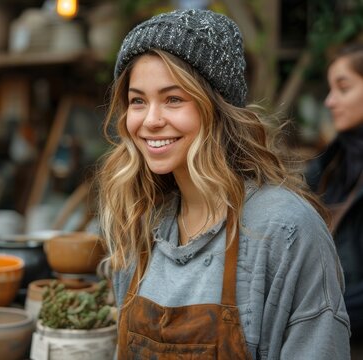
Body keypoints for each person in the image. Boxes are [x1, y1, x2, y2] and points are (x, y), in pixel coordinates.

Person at [96, 8, 350, 359]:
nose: (150, 120)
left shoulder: (285, 229)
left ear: (218, 108)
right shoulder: (143, 221)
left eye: (173, 99)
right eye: (138, 101)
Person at [306, 43, 363, 339]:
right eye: (329, 90)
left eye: (343, 88)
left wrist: (323, 316)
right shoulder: (327, 166)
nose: (329, 101)